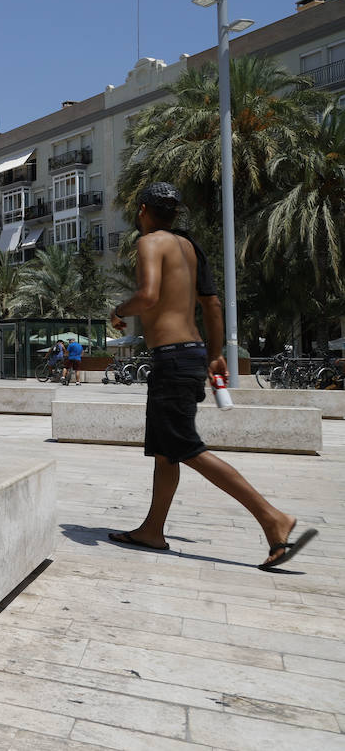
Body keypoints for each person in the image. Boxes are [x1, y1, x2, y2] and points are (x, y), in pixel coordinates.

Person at [108, 183, 316, 570]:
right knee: (166, 451)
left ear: (142, 211)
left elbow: (149, 295)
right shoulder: (189, 248)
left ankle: (273, 519)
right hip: (191, 353)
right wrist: (217, 355)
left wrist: (119, 309)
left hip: (170, 358)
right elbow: (213, 304)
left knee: (184, 447)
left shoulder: (150, 242)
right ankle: (152, 531)